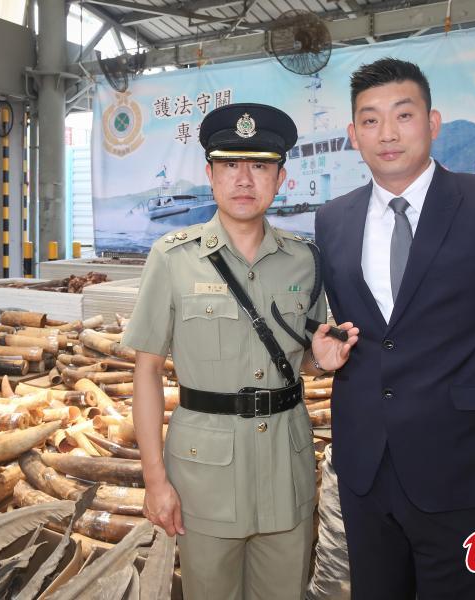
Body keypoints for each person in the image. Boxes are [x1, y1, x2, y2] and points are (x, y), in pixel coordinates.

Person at [313, 58, 475, 599]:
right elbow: (352, 327)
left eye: (403, 115)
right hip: (367, 462)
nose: (388, 133)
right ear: (353, 134)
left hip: (465, 457)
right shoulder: (333, 219)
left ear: (432, 122)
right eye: (371, 120)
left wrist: (472, 393)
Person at [124, 103, 358, 600]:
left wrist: (322, 361)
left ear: (280, 178)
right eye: (230, 165)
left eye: (260, 166)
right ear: (210, 175)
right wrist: (155, 479)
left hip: (286, 467)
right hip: (203, 474)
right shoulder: (173, 257)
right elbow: (146, 371)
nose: (244, 179)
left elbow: (301, 358)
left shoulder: (305, 260)